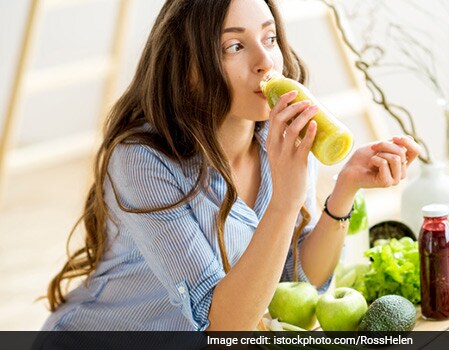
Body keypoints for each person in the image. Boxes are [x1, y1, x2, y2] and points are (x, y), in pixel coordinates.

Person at [42, 0, 421, 331]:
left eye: (269, 39)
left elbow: (289, 280)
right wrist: (285, 201)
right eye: (235, 46)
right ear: (189, 69)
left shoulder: (278, 141)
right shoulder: (142, 162)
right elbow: (220, 324)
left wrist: (344, 189)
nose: (265, 62)